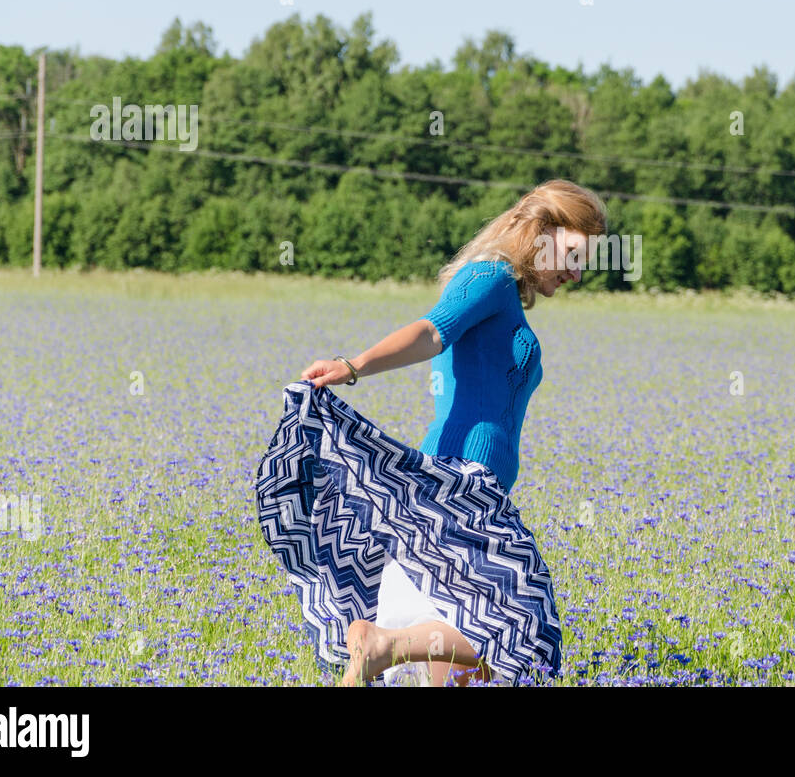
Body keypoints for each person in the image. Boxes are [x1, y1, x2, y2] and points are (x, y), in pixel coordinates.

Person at [255, 179, 608, 686]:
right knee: (528, 630)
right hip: (462, 483)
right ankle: (385, 645)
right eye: (573, 255)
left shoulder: (503, 294)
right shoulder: (490, 277)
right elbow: (430, 331)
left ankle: (391, 647)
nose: (577, 273)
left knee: (467, 662)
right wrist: (351, 366)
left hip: (474, 485)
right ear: (543, 233)